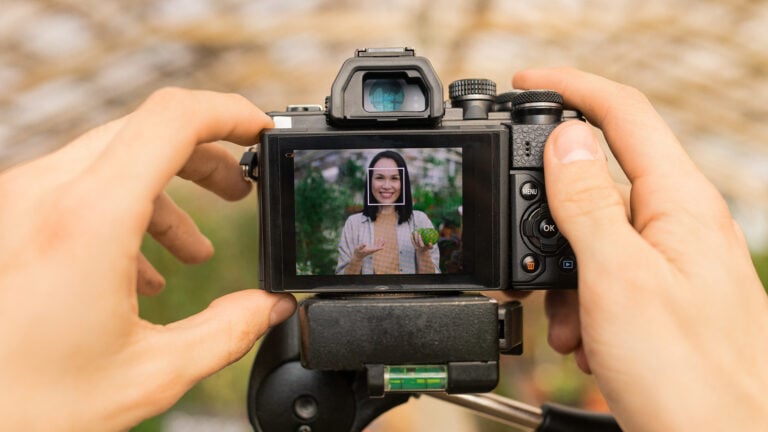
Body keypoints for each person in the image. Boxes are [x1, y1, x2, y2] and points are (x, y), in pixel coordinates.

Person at [0, 68, 764, 431]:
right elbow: (352, 264)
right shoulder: (355, 228)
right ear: (375, 182)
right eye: (385, 172)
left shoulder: (428, 222)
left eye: (400, 171)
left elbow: (432, 270)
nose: (393, 178)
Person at [335, 150, 440, 275]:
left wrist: (422, 253)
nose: (386, 185)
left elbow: (431, 282)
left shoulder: (420, 221)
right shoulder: (353, 224)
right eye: (380, 178)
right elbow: (342, 281)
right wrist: (357, 259)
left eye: (394, 178)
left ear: (403, 183)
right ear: (370, 182)